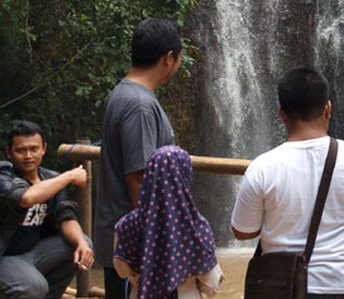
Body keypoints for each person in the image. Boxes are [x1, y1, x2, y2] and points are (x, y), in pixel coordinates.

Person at [231, 66, 344, 298]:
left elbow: (242, 231)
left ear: (282, 114)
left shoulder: (262, 168)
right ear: (328, 108)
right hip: (343, 285)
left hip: (283, 285)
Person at [94, 18, 183, 299]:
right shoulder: (140, 106)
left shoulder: (124, 94)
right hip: (133, 245)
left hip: (123, 238)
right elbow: (138, 178)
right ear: (168, 58)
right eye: (179, 59)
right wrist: (154, 244)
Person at [113, 146, 223, 298]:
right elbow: (212, 283)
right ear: (185, 176)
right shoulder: (197, 226)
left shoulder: (126, 224)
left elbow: (121, 270)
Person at [0, 120, 94, 298]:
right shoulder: (3, 176)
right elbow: (25, 198)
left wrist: (80, 243)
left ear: (43, 148)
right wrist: (68, 176)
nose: (28, 155)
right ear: (9, 153)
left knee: (83, 243)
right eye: (20, 150)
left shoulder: (51, 178)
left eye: (34, 149)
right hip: (5, 258)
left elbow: (66, 217)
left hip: (35, 253)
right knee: (35, 286)